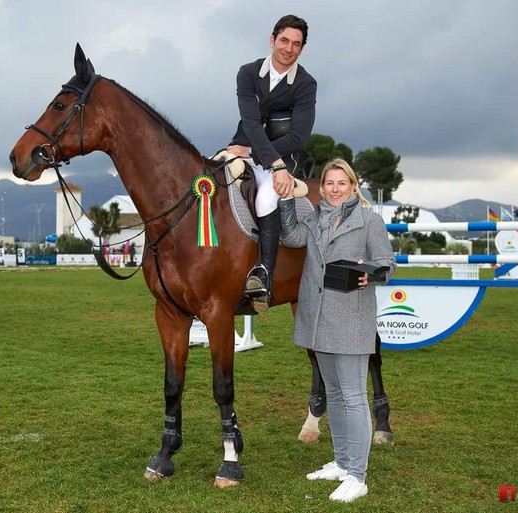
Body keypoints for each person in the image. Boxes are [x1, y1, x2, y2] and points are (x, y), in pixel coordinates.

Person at [278, 158, 396, 503]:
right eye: (329, 183)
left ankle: (358, 476)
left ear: (353, 186)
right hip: (318, 319)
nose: (334, 189)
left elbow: (387, 263)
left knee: (355, 398)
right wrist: (287, 198)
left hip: (351, 320)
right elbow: (291, 236)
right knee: (336, 395)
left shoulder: (369, 220)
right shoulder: (314, 217)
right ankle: (343, 463)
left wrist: (369, 273)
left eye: (341, 183)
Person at [226, 14, 317, 312]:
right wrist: (249, 153)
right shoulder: (248, 73)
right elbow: (251, 124)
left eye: (296, 44)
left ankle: (264, 274)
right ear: (272, 40)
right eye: (284, 41)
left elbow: (299, 136)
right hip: (240, 148)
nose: (289, 48)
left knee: (267, 198)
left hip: (279, 158)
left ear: (302, 49)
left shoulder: (305, 84)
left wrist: (269, 160)